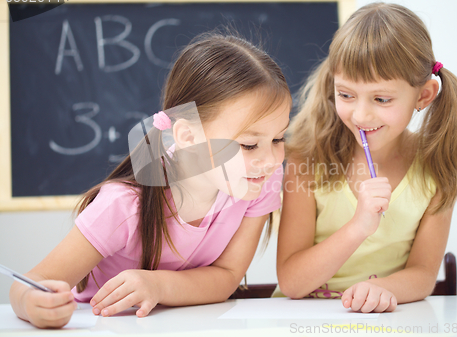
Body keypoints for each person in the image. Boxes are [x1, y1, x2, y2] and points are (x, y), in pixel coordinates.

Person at [10, 32, 291, 328]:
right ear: (187, 136)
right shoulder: (123, 205)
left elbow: (227, 276)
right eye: (248, 144)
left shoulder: (259, 179)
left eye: (279, 138)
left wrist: (156, 285)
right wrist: (33, 303)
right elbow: (30, 284)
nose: (272, 159)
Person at [273, 3, 457, 313]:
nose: (360, 114)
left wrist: (380, 290)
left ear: (423, 95)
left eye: (381, 99)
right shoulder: (307, 161)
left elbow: (423, 275)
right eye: (345, 95)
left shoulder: (438, 168)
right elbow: (291, 282)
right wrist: (358, 226)